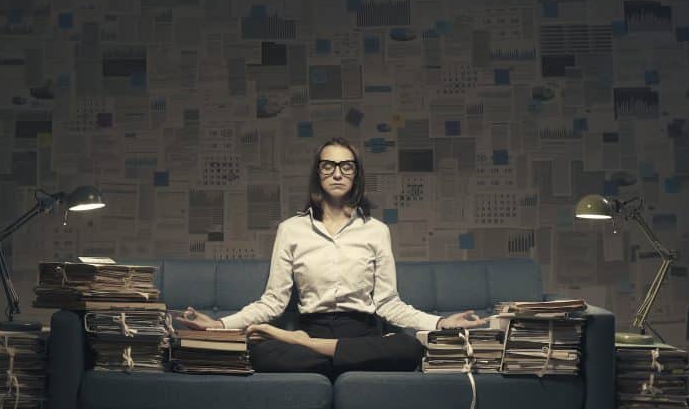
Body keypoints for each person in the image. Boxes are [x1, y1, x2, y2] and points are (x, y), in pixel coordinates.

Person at [177, 137, 488, 378]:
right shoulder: (291, 229)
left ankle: (308, 348)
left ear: (356, 174)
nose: (337, 173)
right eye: (329, 165)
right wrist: (219, 325)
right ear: (318, 172)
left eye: (346, 166)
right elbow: (272, 301)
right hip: (314, 326)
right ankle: (328, 356)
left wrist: (442, 322)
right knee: (259, 352)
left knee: (408, 346)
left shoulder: (376, 231)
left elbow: (389, 304)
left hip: (361, 333)